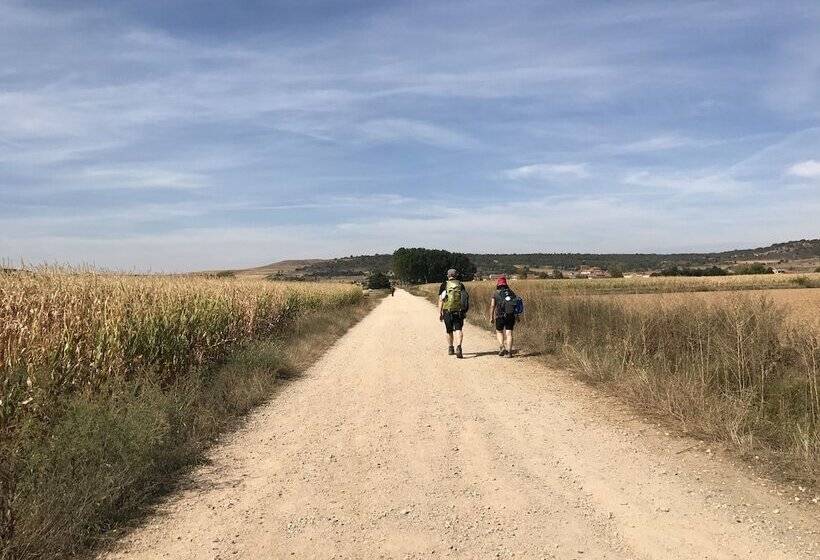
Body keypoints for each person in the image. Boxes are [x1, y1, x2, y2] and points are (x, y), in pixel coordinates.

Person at [438, 268, 469, 358]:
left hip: (447, 310)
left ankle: (451, 348)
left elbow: (441, 300)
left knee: (449, 330)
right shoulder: (461, 285)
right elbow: (464, 299)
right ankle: (459, 347)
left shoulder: (444, 285)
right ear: (456, 275)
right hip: (458, 311)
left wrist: (440, 312)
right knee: (458, 329)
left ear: (448, 275)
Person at [489, 275, 517, 357]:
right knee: (509, 333)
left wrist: (491, 317)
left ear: (498, 284)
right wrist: (517, 316)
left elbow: (492, 306)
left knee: (499, 331)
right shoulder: (511, 292)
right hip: (510, 315)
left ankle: (502, 346)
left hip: (500, 316)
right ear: (505, 284)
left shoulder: (495, 293)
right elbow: (515, 305)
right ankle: (509, 352)